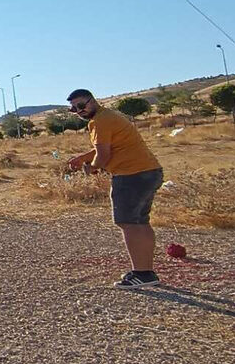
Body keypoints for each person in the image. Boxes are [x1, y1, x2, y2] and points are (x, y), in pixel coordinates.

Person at [66, 89, 164, 288]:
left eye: (81, 106)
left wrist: (92, 168)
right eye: (74, 109)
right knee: (140, 222)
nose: (79, 111)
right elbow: (108, 146)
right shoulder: (109, 116)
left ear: (93, 100)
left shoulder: (99, 121)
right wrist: (83, 158)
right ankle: (145, 270)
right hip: (148, 171)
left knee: (128, 223)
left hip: (131, 175)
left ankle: (142, 274)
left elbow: (103, 155)